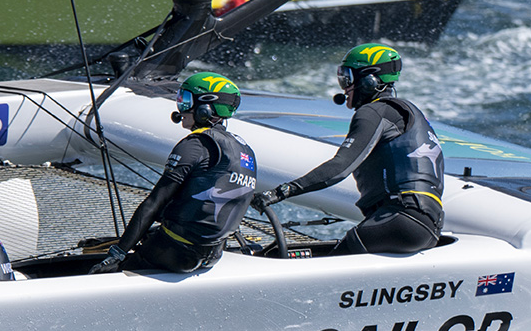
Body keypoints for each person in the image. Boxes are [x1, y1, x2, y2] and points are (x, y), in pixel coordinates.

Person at [254, 44, 444, 255]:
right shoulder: (410, 113)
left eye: (347, 78)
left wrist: (280, 192)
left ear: (369, 81)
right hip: (428, 224)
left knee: (324, 266)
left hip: (400, 220)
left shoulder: (374, 111)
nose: (344, 88)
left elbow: (340, 167)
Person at [90, 72, 257, 274]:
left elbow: (154, 203)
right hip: (212, 255)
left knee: (111, 270)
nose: (180, 109)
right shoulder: (245, 150)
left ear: (206, 108)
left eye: (186, 101)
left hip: (176, 253)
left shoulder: (196, 144)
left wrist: (118, 254)